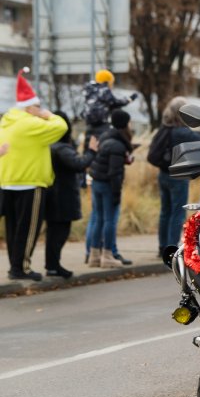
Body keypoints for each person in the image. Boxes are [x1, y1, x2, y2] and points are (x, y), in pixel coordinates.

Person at [0, 69, 68, 280]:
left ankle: (15, 266)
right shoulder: (31, 124)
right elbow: (61, 126)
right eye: (37, 106)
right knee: (28, 229)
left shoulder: (6, 121)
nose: (40, 110)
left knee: (12, 229)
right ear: (30, 106)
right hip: (30, 182)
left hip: (8, 182)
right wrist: (47, 115)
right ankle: (22, 268)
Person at [151, 96, 200, 256]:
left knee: (165, 211)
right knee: (177, 212)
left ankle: (162, 246)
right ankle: (172, 248)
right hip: (178, 177)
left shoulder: (164, 129)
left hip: (163, 175)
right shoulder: (181, 132)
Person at [45, 113, 99, 278]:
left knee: (53, 232)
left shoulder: (48, 145)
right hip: (62, 196)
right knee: (59, 232)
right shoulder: (61, 148)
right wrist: (91, 151)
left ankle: (52, 266)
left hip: (54, 194)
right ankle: (53, 267)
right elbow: (79, 164)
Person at [88, 109, 134, 268]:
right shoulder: (117, 144)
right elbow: (114, 172)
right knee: (109, 221)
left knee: (98, 220)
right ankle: (107, 255)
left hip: (97, 182)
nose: (131, 124)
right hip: (108, 185)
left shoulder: (106, 137)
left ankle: (94, 256)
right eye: (129, 122)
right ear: (124, 124)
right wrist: (116, 192)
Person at [82, 69, 138, 153]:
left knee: (89, 148)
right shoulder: (104, 90)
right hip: (102, 124)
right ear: (108, 81)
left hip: (89, 125)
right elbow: (115, 102)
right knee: (102, 149)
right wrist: (130, 99)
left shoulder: (89, 89)